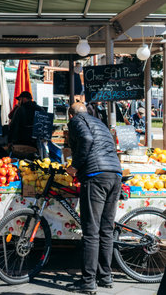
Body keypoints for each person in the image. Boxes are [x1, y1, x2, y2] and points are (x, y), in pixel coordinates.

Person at [65, 102, 122, 294]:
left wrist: (75, 166)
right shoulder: (99, 123)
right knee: (106, 229)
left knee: (91, 231)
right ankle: (105, 276)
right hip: (115, 174)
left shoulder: (77, 122)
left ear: (71, 115)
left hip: (95, 177)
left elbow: (87, 139)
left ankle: (88, 281)